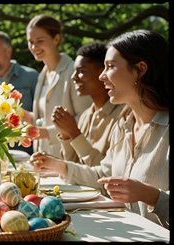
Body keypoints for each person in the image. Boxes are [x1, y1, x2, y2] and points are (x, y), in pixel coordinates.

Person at [31, 30, 169, 228]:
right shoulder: (124, 125)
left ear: (140, 69)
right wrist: (60, 166)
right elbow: (103, 177)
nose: (102, 76)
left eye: (111, 66)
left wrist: (151, 196)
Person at [23, 14, 92, 158]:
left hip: (69, 158)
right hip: (43, 159)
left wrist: (46, 133)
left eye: (40, 41)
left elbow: (86, 119)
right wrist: (26, 116)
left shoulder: (72, 72)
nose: (34, 47)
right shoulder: (43, 74)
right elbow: (45, 116)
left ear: (56, 39)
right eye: (30, 42)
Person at [51, 42, 124, 166]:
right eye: (74, 72)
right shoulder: (86, 115)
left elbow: (106, 173)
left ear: (103, 73)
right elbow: (73, 167)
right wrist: (66, 134)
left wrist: (74, 133)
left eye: (81, 71)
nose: (74, 77)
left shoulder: (122, 117)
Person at [0, 31, 39, 155]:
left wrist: (28, 117)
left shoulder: (31, 76)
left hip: (29, 153)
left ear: (8, 51)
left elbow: (42, 116)